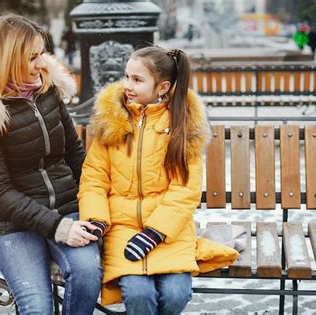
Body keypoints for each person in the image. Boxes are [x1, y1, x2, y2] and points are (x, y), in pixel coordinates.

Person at [0, 14, 102, 315]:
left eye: (41, 54)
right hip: (15, 224)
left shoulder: (48, 91)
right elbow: (0, 192)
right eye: (32, 57)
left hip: (68, 207)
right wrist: (57, 227)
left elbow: (74, 153)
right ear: (8, 58)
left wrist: (96, 203)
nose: (41, 64)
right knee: (37, 306)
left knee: (87, 274)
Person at [78, 46, 239, 314]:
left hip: (168, 232)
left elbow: (184, 190)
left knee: (176, 294)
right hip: (122, 229)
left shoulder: (181, 124)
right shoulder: (113, 120)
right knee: (138, 294)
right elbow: (94, 178)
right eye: (127, 76)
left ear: (163, 87)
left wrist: (154, 233)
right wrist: (96, 219)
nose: (128, 85)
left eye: (138, 80)